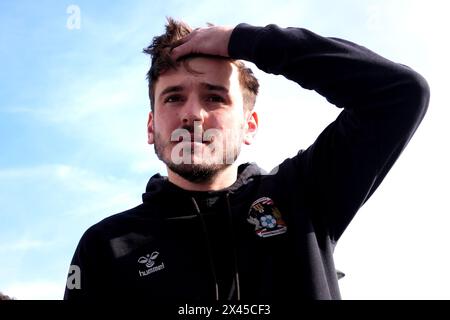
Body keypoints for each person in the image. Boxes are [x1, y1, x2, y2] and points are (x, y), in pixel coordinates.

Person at [64, 18, 429, 301]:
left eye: (215, 98)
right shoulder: (104, 246)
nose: (193, 114)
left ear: (248, 125)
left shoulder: (305, 195)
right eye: (173, 98)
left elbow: (399, 92)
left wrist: (244, 40)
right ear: (150, 126)